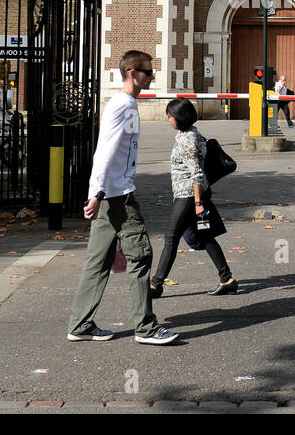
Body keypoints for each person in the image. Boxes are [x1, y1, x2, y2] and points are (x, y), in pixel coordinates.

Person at [67, 50, 179, 344]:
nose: (152, 76)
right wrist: (96, 192)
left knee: (99, 260)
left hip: (109, 194)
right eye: (148, 71)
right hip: (117, 196)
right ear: (132, 72)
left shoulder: (122, 104)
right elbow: (105, 150)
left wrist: (97, 193)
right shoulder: (124, 106)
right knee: (141, 255)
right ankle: (146, 327)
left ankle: (80, 324)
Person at [149, 98, 237, 297]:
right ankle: (227, 279)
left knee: (171, 237)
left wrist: (198, 202)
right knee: (204, 236)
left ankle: (156, 285)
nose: (168, 119)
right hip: (193, 193)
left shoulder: (186, 139)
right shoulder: (193, 133)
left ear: (179, 117)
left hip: (189, 195)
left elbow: (196, 172)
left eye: (170, 116)